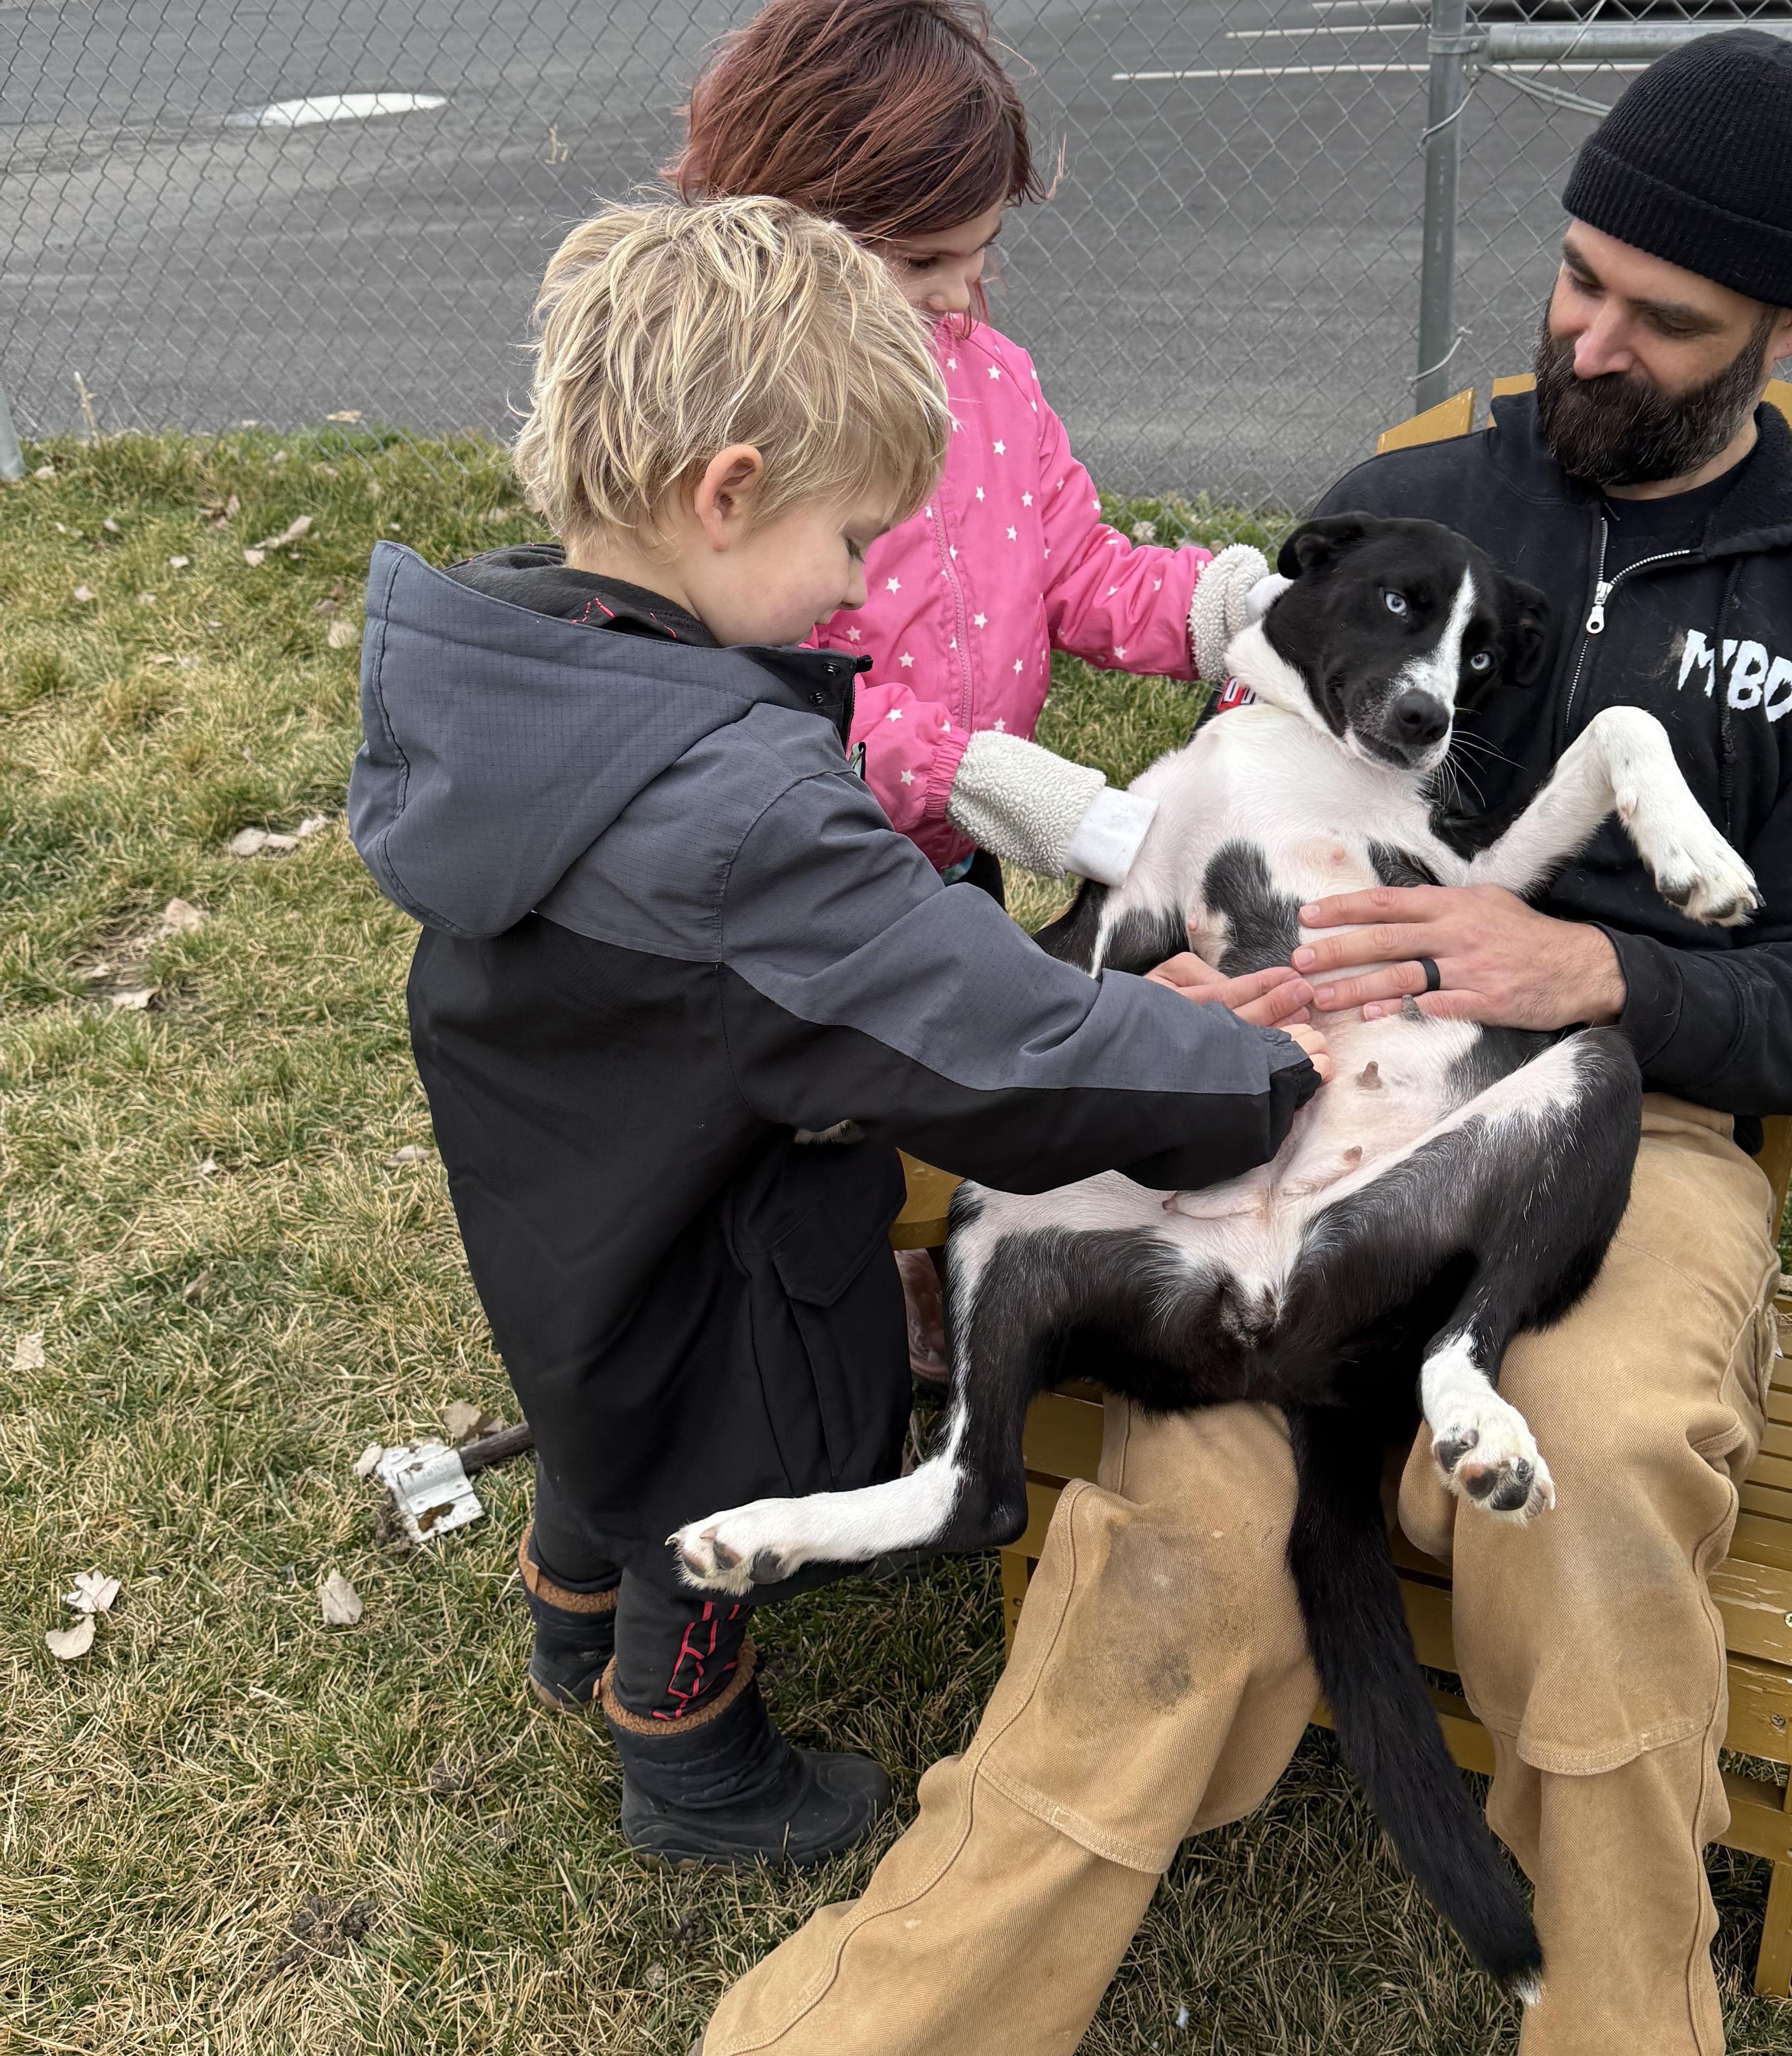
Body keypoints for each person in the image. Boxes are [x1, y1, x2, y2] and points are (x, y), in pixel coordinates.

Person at [701, 33, 1792, 2056]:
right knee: (1175, 1547)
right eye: (1577, 279)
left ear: (1790, 329)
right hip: (1293, 1106)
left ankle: (1629, 2020)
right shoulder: (1407, 506)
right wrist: (1174, 988)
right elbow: (1212, 796)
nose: (1593, 340)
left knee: (1599, 1463)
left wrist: (1602, 976)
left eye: (1667, 318)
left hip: (1623, 1140)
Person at [345, 195, 1329, 1874]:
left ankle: (565, 1614)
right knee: (716, 1471)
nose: (865, 580)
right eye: (855, 536)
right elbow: (997, 1046)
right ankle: (690, 1757)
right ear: (726, 494)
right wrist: (1247, 1068)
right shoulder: (731, 814)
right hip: (721, 1236)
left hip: (570, 1188)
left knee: (598, 1409)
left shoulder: (509, 664)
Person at [670, 0, 1275, 903]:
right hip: (801, 868)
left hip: (956, 854)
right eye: (924, 261)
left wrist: (1232, 608)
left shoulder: (991, 378)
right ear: (787, 224)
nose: (959, 294)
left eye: (979, 254)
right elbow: (757, 684)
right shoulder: (742, 419)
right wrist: (957, 770)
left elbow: (1075, 569)